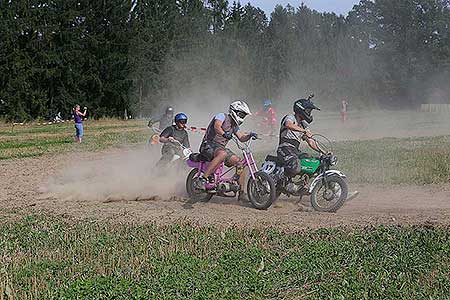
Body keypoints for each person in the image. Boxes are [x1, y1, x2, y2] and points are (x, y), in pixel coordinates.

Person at [196, 100, 257, 201]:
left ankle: (241, 193)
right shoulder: (222, 116)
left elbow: (241, 137)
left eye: (244, 115)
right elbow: (217, 126)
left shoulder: (235, 126)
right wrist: (224, 133)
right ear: (235, 111)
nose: (242, 117)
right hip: (208, 145)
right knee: (223, 153)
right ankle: (202, 179)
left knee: (239, 163)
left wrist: (250, 135)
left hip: (220, 148)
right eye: (242, 114)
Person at [277, 98, 323, 193]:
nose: (309, 113)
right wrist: (303, 131)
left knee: (312, 161)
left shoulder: (303, 125)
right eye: (308, 111)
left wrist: (322, 151)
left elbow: (311, 142)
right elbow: (288, 124)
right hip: (285, 148)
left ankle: (302, 185)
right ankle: (285, 182)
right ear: (300, 109)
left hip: (295, 150)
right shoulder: (290, 117)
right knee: (295, 162)